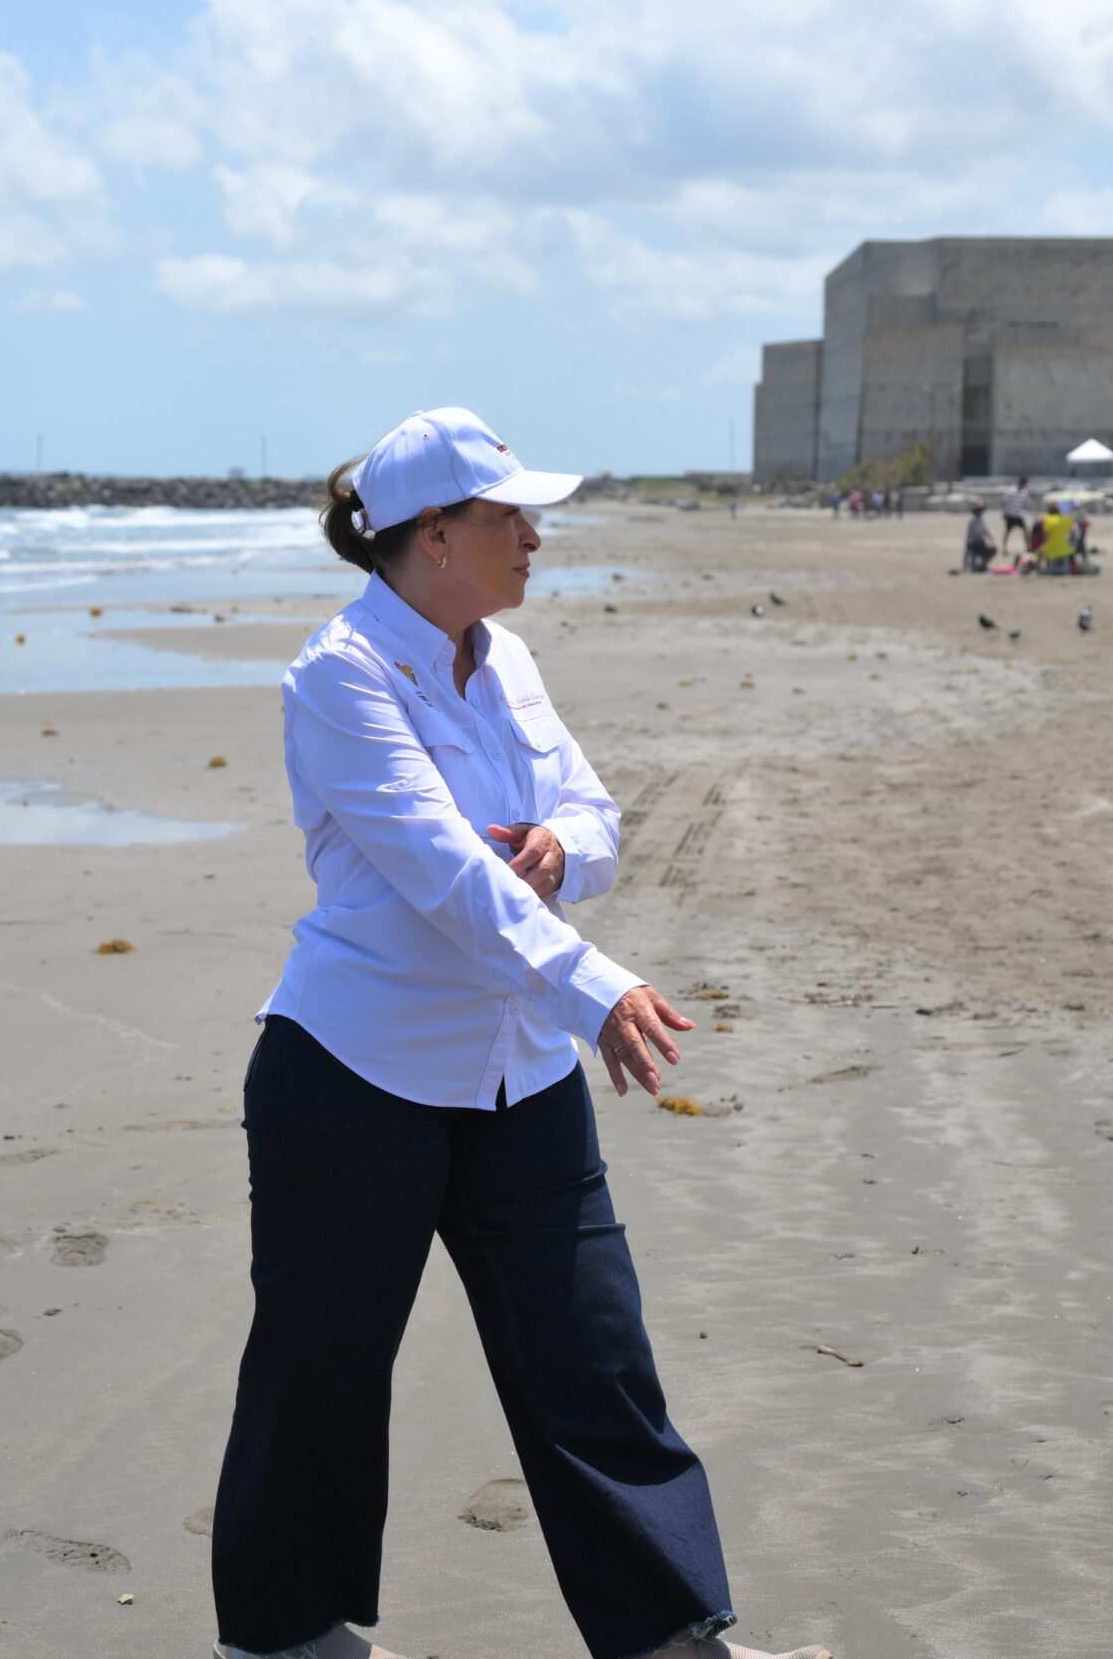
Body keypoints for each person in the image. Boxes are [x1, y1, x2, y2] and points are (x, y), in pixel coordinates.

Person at [211, 407, 828, 1659]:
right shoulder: (338, 675)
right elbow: (445, 876)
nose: (534, 537)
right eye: (511, 517)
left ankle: (671, 1638)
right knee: (321, 1368)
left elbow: (594, 813)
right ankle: (279, 1639)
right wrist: (594, 988)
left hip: (517, 1070)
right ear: (434, 534)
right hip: (356, 1074)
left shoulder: (510, 659)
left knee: (592, 1358)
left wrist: (562, 845)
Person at [963, 500, 996, 572]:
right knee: (986, 547)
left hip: (980, 543)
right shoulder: (972, 520)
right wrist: (987, 542)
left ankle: (983, 565)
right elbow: (978, 534)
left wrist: (991, 540)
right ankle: (979, 565)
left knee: (993, 548)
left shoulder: (982, 520)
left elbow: (987, 531)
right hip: (973, 544)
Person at [999, 475, 1031, 551]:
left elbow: (1027, 502)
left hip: (1018, 515)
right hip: (1010, 514)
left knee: (1026, 530)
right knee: (1008, 531)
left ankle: (1028, 547)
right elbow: (1003, 501)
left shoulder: (1024, 492)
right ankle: (1004, 547)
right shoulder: (1011, 490)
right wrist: (1004, 512)